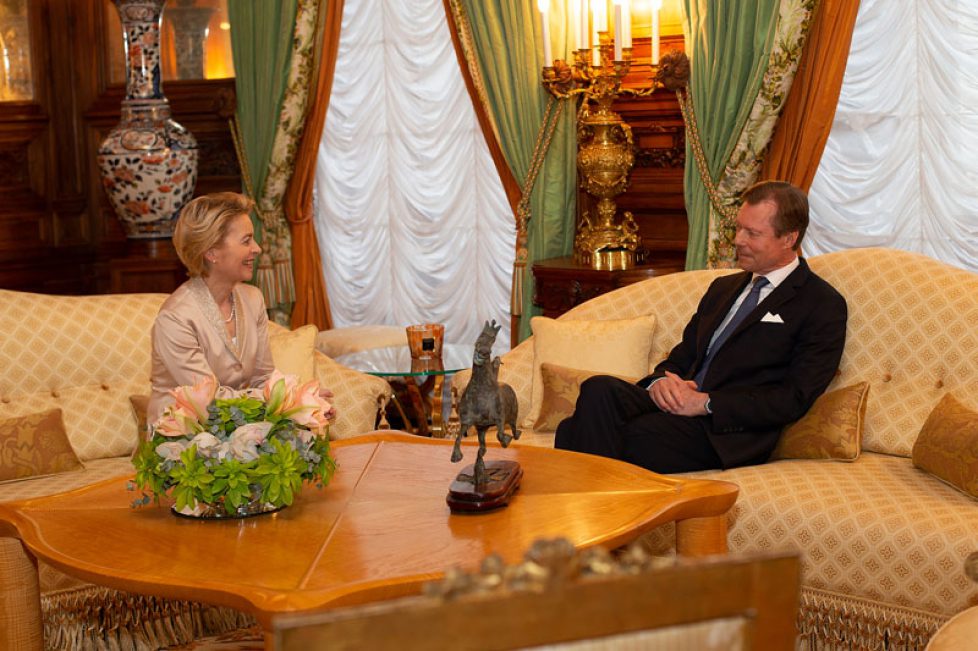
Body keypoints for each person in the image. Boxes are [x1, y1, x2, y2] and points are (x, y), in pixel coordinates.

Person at [554, 181, 848, 473]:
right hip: (678, 403)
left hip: (724, 429)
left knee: (578, 432)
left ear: (789, 238)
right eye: (739, 228)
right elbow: (681, 357)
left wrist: (706, 403)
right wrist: (662, 382)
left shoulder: (821, 303)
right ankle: (605, 515)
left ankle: (589, 513)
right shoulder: (723, 288)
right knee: (597, 388)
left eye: (753, 233)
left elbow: (793, 398)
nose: (738, 240)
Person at [147, 192, 274, 424]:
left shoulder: (253, 299)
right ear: (212, 252)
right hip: (183, 440)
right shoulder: (176, 317)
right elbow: (208, 402)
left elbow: (263, 378)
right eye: (246, 241)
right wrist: (285, 401)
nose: (257, 249)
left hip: (240, 428)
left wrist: (301, 403)